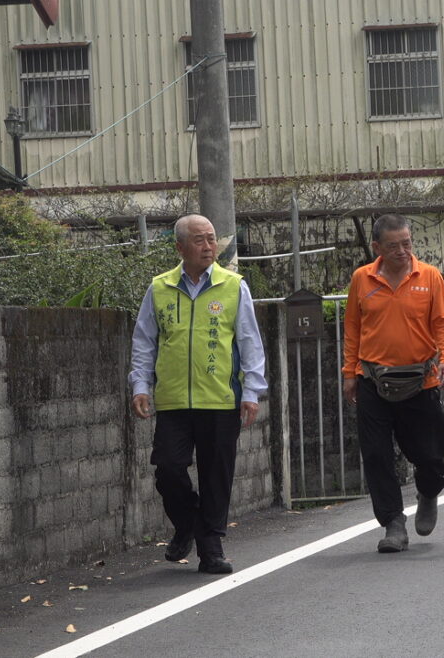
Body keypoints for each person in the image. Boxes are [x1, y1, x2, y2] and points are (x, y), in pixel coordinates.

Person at [130, 214, 267, 575]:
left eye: (211, 239)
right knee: (168, 470)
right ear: (179, 247)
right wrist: (140, 385)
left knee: (215, 476)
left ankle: (211, 547)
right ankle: (188, 524)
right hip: (174, 400)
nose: (208, 247)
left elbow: (250, 343)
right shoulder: (159, 288)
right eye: (199, 240)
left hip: (221, 398)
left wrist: (252, 391)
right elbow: (144, 341)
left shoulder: (232, 286)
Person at [343, 214, 444, 554]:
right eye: (393, 246)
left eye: (407, 243)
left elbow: (442, 325)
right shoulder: (362, 279)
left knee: (431, 456)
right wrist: (350, 373)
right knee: (376, 454)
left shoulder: (430, 277)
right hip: (373, 380)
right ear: (377, 247)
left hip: (421, 380)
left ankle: (428, 491)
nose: (402, 251)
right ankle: (393, 522)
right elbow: (352, 329)